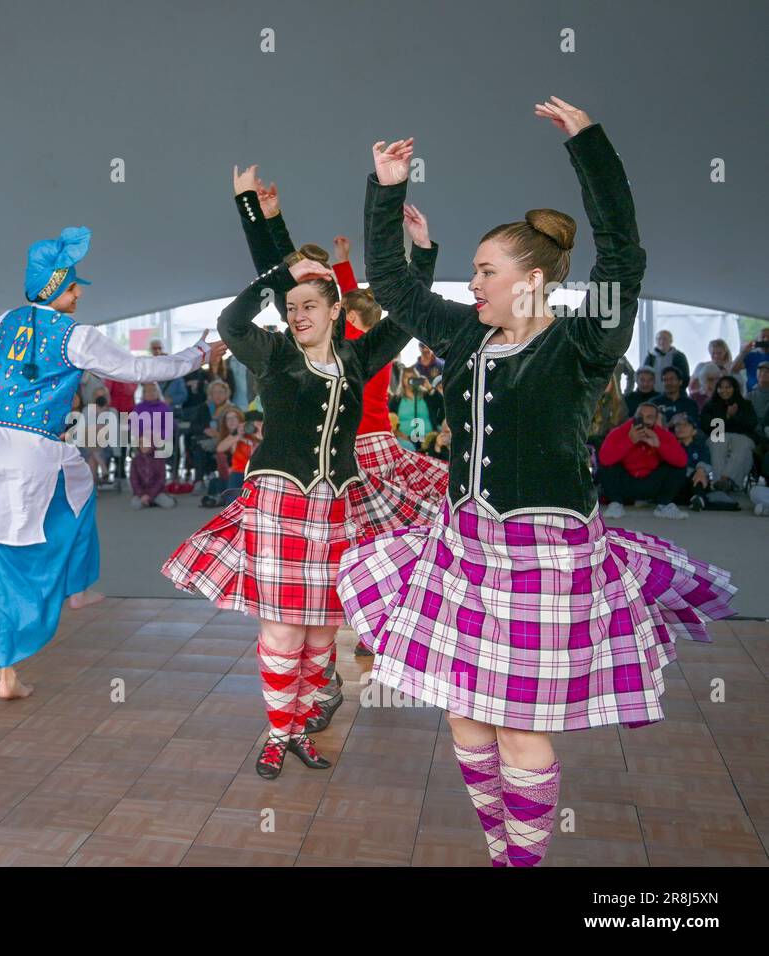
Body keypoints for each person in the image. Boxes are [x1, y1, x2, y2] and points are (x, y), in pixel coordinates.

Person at [336, 101, 734, 867]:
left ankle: (523, 861)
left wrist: (589, 147)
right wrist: (385, 190)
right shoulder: (463, 334)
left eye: (487, 271)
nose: (474, 281)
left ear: (535, 279)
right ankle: (501, 850)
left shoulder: (586, 340)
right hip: (465, 549)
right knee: (464, 720)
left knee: (519, 726)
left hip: (546, 560)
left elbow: (622, 252)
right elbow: (390, 279)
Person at [164, 171, 417, 780]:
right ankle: (277, 734)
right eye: (292, 306)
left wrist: (422, 253)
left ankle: (302, 727)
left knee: (321, 636)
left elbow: (408, 317)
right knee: (282, 632)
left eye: (311, 304)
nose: (298, 312)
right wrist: (264, 232)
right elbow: (232, 323)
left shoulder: (358, 355)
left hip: (337, 507)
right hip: (279, 502)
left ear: (337, 310)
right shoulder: (275, 353)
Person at [0, 226, 218, 701]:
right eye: (74, 285)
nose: (79, 293)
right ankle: (62, 598)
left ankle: (19, 657)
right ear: (55, 287)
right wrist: (198, 354)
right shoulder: (76, 336)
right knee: (38, 533)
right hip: (32, 445)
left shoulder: (7, 322)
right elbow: (141, 371)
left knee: (22, 528)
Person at [238, 167, 449, 557]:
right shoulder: (367, 343)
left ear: (342, 315)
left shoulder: (346, 345)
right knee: (385, 540)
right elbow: (398, 306)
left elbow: (285, 279)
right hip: (381, 447)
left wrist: (264, 216)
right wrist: (420, 254)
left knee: (346, 543)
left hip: (349, 452)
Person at [598, 402, 690, 519]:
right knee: (607, 464)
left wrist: (659, 446)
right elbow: (604, 459)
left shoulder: (662, 434)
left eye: (649, 417)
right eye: (640, 416)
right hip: (625, 483)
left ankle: (664, 506)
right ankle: (616, 504)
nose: (644, 420)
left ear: (656, 420)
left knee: (677, 465)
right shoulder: (619, 432)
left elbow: (682, 461)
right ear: (634, 416)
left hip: (651, 484)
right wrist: (629, 440)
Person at [700, 374, 758, 491]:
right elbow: (707, 426)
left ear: (734, 389)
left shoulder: (745, 404)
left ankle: (724, 480)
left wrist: (735, 416)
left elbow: (751, 424)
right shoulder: (710, 405)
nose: (724, 390)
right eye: (721, 387)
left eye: (728, 387)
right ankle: (722, 482)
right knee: (719, 442)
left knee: (741, 445)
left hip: (742, 437)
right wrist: (727, 416)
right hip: (718, 436)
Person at [669, 413, 712, 510]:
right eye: (678, 425)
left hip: (694, 481)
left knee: (699, 474)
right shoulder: (672, 446)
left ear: (694, 431)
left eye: (685, 425)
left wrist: (700, 470)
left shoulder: (700, 446)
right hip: (678, 481)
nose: (681, 428)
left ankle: (698, 498)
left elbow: (706, 462)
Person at [129, 436, 176, 509]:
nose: (143, 446)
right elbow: (134, 480)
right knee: (134, 505)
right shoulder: (135, 460)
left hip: (157, 492)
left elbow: (161, 480)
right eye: (140, 443)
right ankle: (149, 501)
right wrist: (141, 494)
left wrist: (150, 495)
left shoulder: (159, 458)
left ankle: (150, 500)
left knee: (169, 504)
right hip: (142, 492)